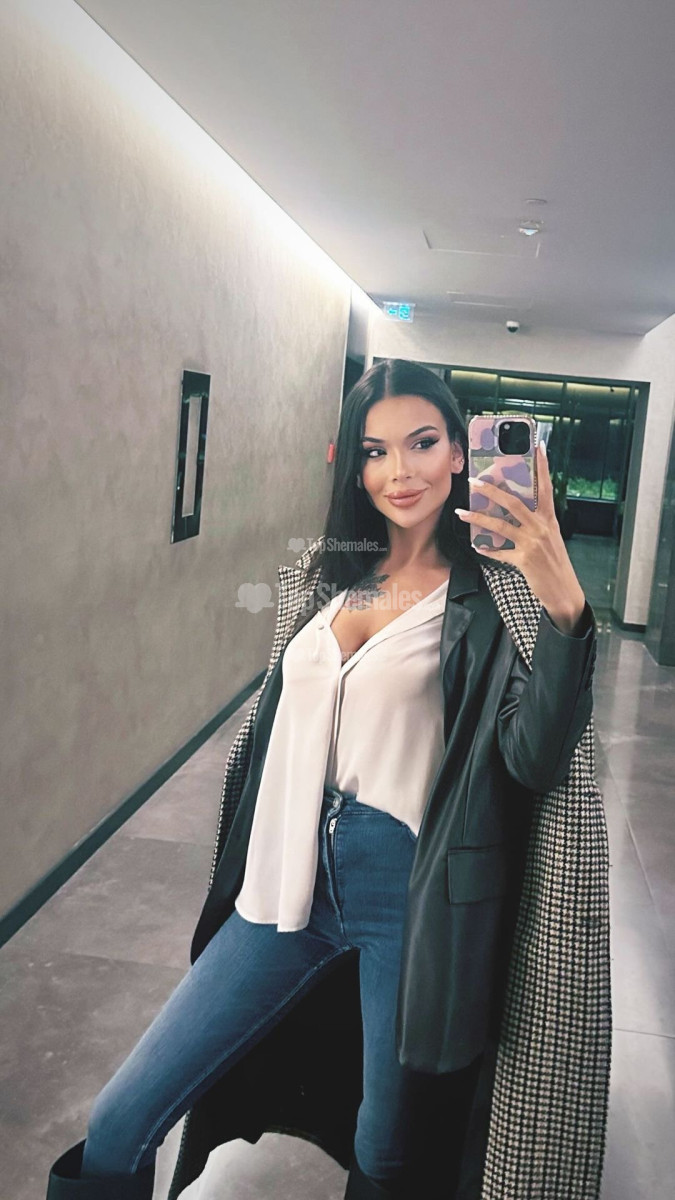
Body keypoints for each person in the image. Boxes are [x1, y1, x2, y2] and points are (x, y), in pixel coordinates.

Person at [45, 359, 610, 1200]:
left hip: (410, 896)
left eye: (422, 443)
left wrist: (560, 594)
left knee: (387, 1152)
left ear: (460, 452)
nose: (399, 471)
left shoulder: (497, 595)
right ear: (352, 464)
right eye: (374, 451)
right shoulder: (324, 573)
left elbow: (534, 758)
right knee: (122, 1117)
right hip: (285, 881)